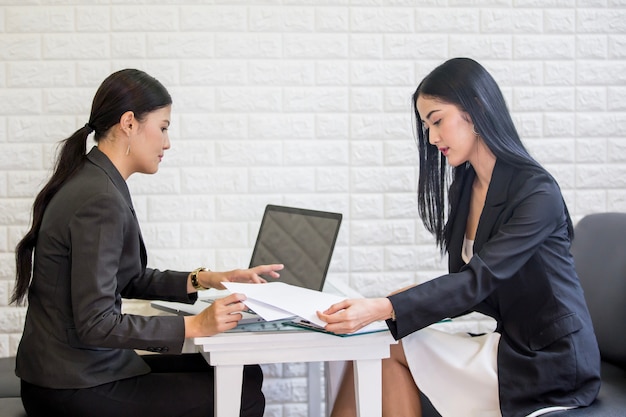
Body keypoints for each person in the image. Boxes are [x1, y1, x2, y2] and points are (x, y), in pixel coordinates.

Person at [317, 58, 601, 417]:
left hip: (550, 362)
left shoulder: (537, 193)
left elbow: (478, 279)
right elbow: (472, 286)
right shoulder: (465, 188)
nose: (432, 137)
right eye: (426, 126)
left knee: (387, 345)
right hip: (511, 346)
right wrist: (402, 300)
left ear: (476, 109)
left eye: (437, 120)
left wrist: (386, 308)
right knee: (377, 343)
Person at [11, 68, 284, 417]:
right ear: (129, 123)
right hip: (72, 385)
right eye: (164, 127)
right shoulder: (99, 198)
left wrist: (209, 278)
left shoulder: (95, 180)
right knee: (243, 395)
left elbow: (128, 277)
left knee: (245, 374)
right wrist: (193, 325)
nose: (167, 143)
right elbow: (97, 323)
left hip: (75, 371)